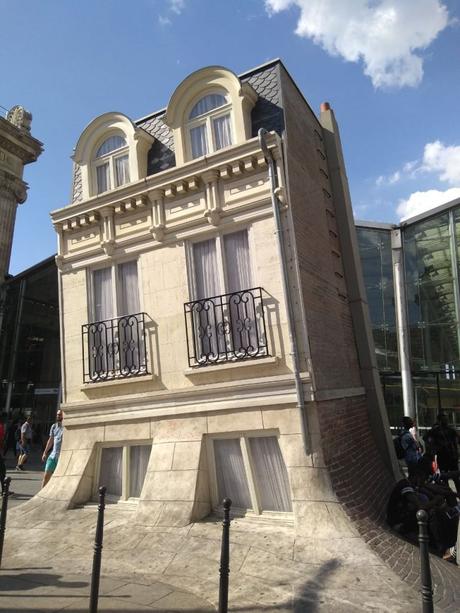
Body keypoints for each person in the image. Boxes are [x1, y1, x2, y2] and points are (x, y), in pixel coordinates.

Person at [387, 456, 459, 563]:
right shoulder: (405, 486)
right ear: (417, 476)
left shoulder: (413, 485)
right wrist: (435, 502)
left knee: (437, 512)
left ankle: (447, 545)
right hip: (399, 522)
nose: (424, 480)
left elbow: (430, 493)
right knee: (432, 514)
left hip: (408, 517)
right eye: (423, 478)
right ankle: (442, 549)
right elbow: (420, 506)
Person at [425, 412, 460, 492]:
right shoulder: (436, 431)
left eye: (446, 419)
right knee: (446, 478)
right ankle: (449, 496)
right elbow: (427, 439)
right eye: (445, 419)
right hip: (444, 457)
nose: (446, 421)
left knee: (453, 478)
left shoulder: (449, 430)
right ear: (440, 421)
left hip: (450, 457)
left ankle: (451, 495)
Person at [41, 410, 64, 488]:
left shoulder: (66, 427)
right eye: (57, 414)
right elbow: (50, 440)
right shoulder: (54, 426)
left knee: (58, 479)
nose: (58, 416)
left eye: (60, 415)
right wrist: (45, 452)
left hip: (62, 457)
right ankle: (41, 494)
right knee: (46, 476)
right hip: (53, 455)